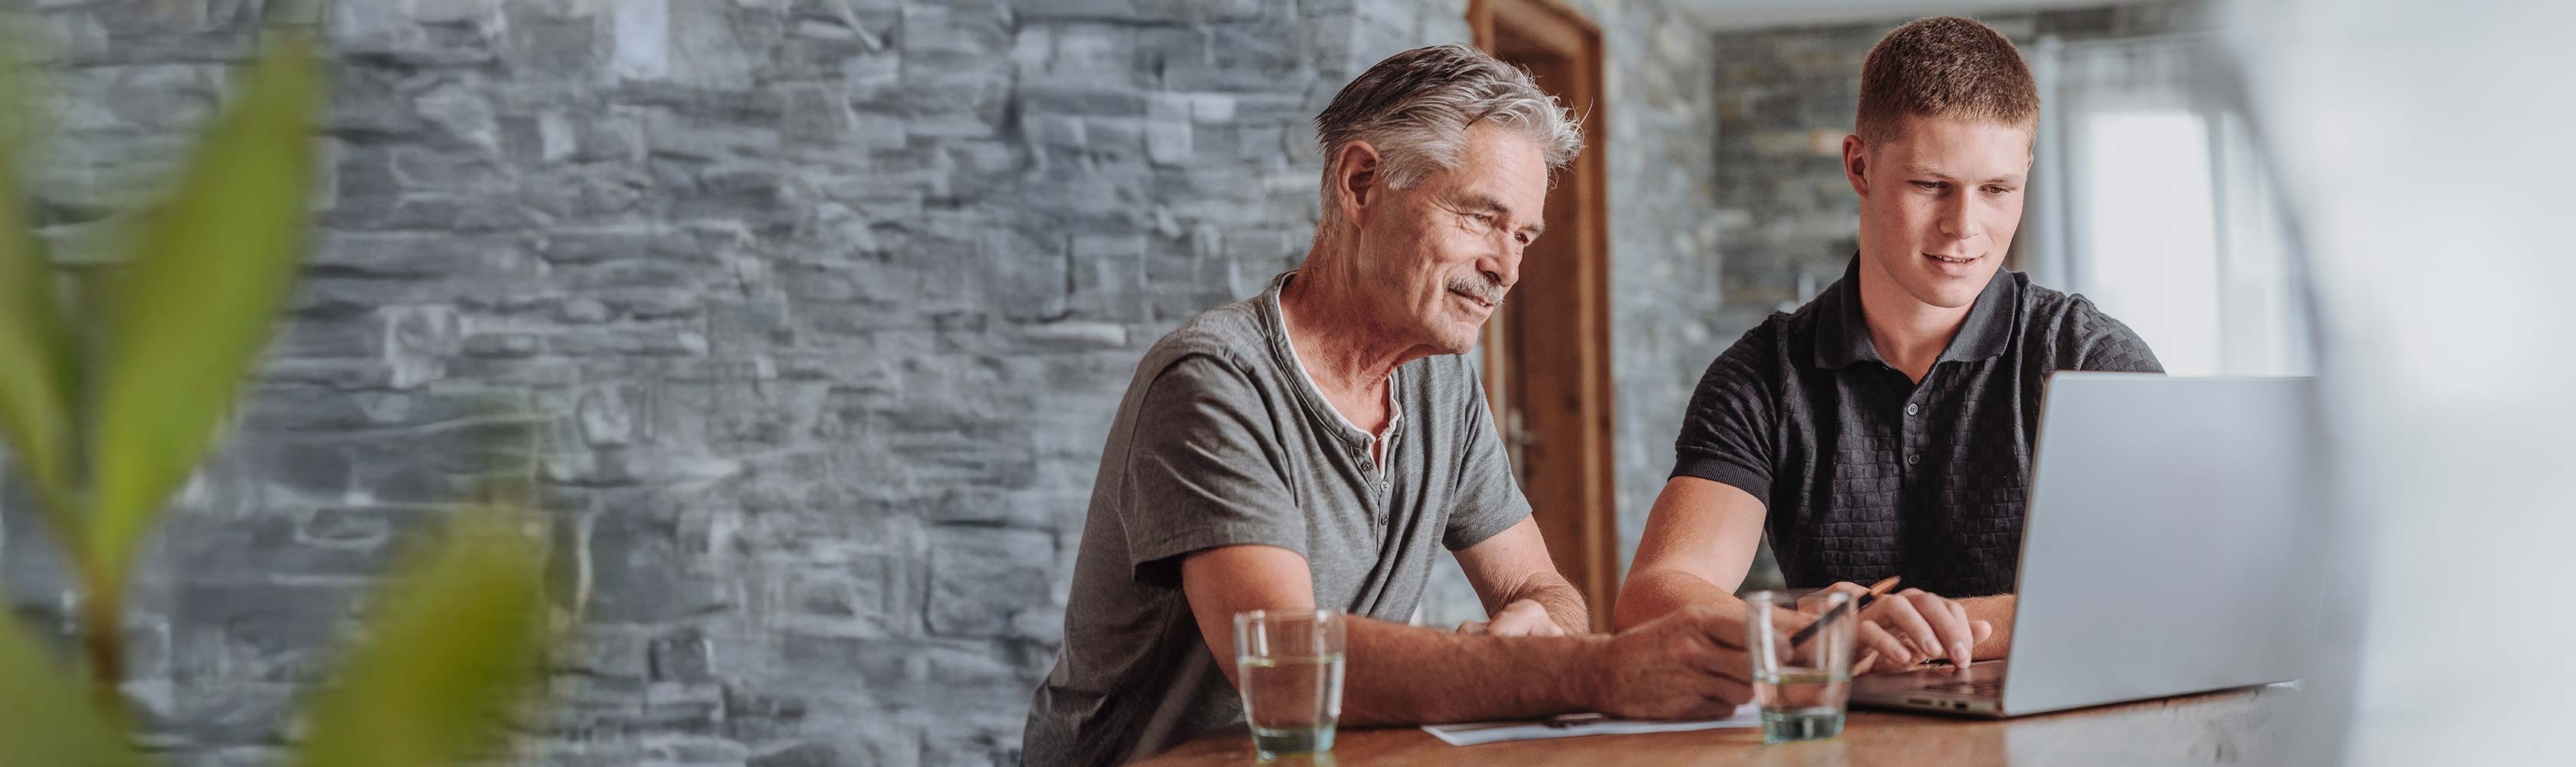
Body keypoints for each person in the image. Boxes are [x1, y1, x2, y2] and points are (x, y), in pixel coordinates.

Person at [1021, 44, 1756, 767]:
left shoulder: (1443, 384)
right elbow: (1284, 663)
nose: (1507, 268)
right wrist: (1599, 673)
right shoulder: (1213, 379)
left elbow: (1540, 586)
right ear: (1363, 184)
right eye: (1478, 217)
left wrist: (1539, 627)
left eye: (1523, 235)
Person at [1615, 17, 2162, 673]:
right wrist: (1811, 634)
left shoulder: (2089, 357)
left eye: (1996, 190)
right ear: (1860, 166)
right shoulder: (1762, 376)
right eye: (1931, 185)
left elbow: (2162, 587)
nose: (1965, 227)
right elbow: (1655, 596)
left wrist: (1932, 630)